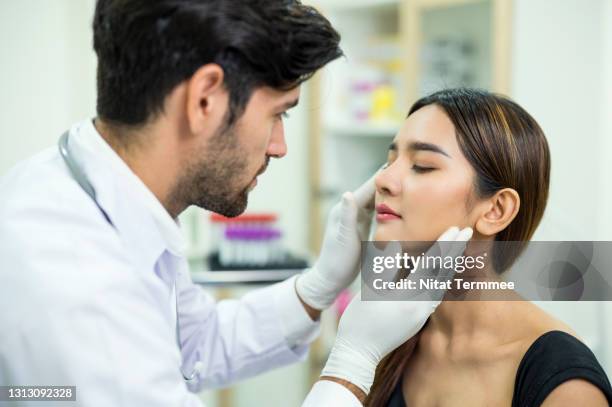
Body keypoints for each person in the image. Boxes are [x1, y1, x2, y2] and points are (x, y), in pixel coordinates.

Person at [0, 1, 471, 406]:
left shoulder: (105, 197)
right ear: (205, 99)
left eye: (424, 166)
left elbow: (195, 344)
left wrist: (317, 289)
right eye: (277, 114)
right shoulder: (78, 289)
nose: (280, 146)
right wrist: (353, 361)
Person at [362, 88, 612, 406]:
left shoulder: (562, 381)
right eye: (389, 161)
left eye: (422, 165)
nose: (382, 181)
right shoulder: (388, 342)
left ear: (496, 210)